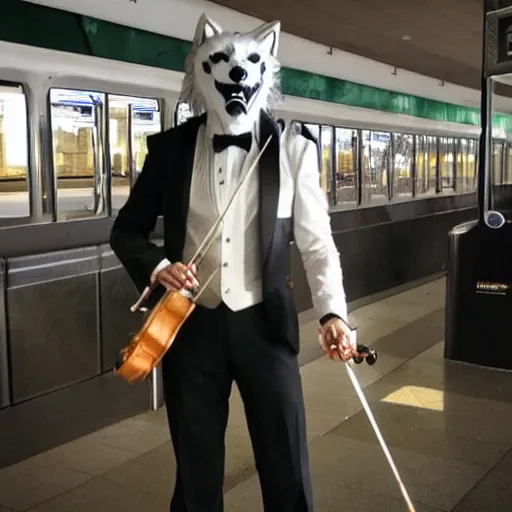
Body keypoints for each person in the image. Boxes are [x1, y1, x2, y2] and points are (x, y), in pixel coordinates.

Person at [110, 13, 356, 512]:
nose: (235, 71)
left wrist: (333, 313)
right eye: (220, 60)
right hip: (191, 328)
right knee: (196, 468)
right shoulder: (170, 151)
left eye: (248, 62)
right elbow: (126, 230)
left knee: (286, 462)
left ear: (267, 69)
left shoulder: (293, 150)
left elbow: (317, 243)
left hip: (266, 327)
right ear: (200, 69)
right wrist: (159, 268)